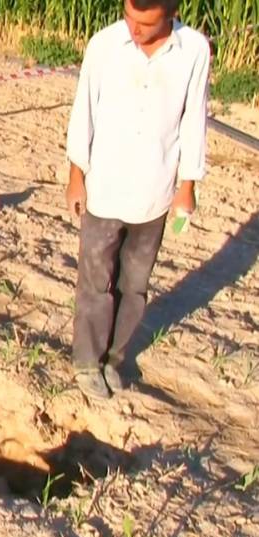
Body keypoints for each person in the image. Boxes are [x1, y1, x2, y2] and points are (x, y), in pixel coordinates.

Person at [65, 0, 210, 399]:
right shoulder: (103, 45)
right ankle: (86, 362)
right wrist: (76, 176)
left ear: (171, 14)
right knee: (95, 281)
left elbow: (193, 118)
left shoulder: (194, 51)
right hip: (104, 189)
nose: (134, 29)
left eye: (145, 23)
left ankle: (114, 358)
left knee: (135, 285)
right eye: (129, 17)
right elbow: (84, 113)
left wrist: (187, 184)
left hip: (155, 194)